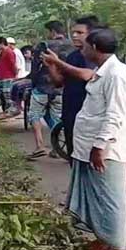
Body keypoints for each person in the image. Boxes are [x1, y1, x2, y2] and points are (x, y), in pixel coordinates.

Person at [62, 28, 126, 250]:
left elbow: (115, 115)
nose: (83, 49)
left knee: (110, 199)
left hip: (107, 151)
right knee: (97, 198)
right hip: (90, 147)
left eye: (87, 45)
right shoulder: (104, 71)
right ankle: (104, 240)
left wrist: (99, 146)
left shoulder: (117, 75)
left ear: (96, 48)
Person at [42, 15, 100, 157]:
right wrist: (51, 66)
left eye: (80, 33)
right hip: (70, 114)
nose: (74, 36)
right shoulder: (73, 56)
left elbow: (87, 75)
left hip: (89, 118)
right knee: (73, 158)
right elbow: (59, 82)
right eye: (73, 32)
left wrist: (59, 63)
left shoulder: (95, 56)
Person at [27, 21, 74, 159]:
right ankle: (57, 147)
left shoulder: (44, 46)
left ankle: (40, 146)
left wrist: (32, 84)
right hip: (61, 88)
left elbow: (35, 69)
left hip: (43, 86)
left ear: (53, 31)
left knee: (34, 115)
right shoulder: (73, 46)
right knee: (55, 117)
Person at [0, 37, 18, 116]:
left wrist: (15, 74)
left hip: (7, 76)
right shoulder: (2, 52)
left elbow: (13, 64)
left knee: (7, 95)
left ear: (1, 44)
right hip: (1, 76)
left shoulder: (9, 52)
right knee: (3, 95)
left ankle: (11, 111)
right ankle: (6, 110)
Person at [8, 45, 34, 117]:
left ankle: (17, 107)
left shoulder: (36, 60)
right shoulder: (33, 60)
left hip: (37, 81)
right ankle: (17, 104)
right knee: (15, 83)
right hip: (31, 78)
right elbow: (31, 74)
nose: (25, 55)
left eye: (26, 53)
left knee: (17, 86)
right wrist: (21, 78)